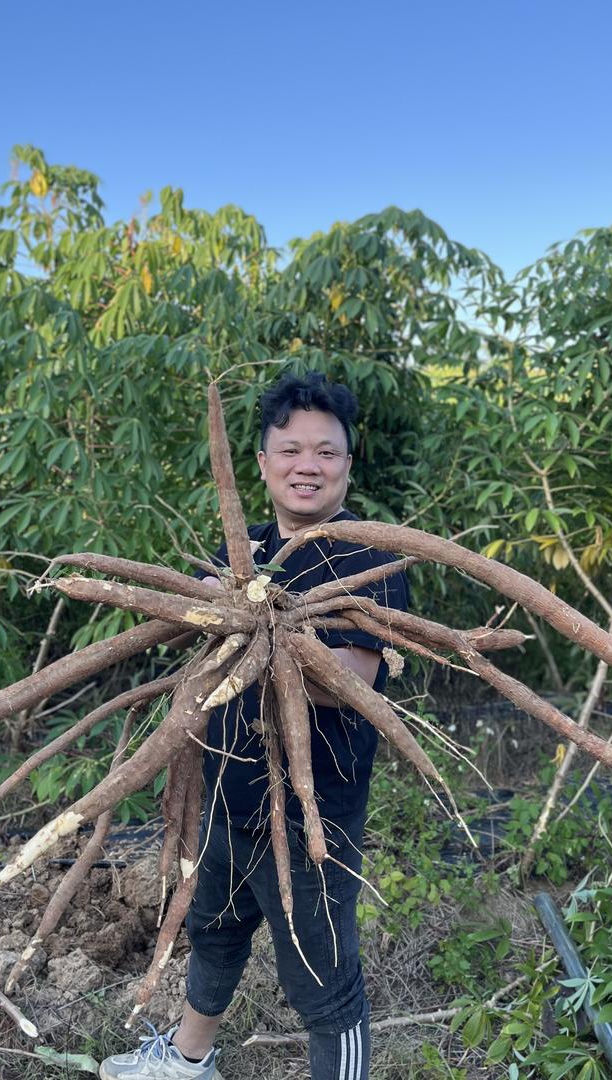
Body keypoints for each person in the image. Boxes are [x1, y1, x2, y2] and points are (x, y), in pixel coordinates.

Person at [100, 372, 409, 1080]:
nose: (309, 465)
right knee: (212, 934)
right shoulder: (241, 552)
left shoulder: (371, 559)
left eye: (326, 452)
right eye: (291, 450)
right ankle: (187, 1059)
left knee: (325, 987)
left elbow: (355, 683)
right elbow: (201, 648)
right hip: (225, 799)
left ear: (348, 466)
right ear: (264, 463)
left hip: (312, 819)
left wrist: (268, 632)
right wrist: (204, 610)